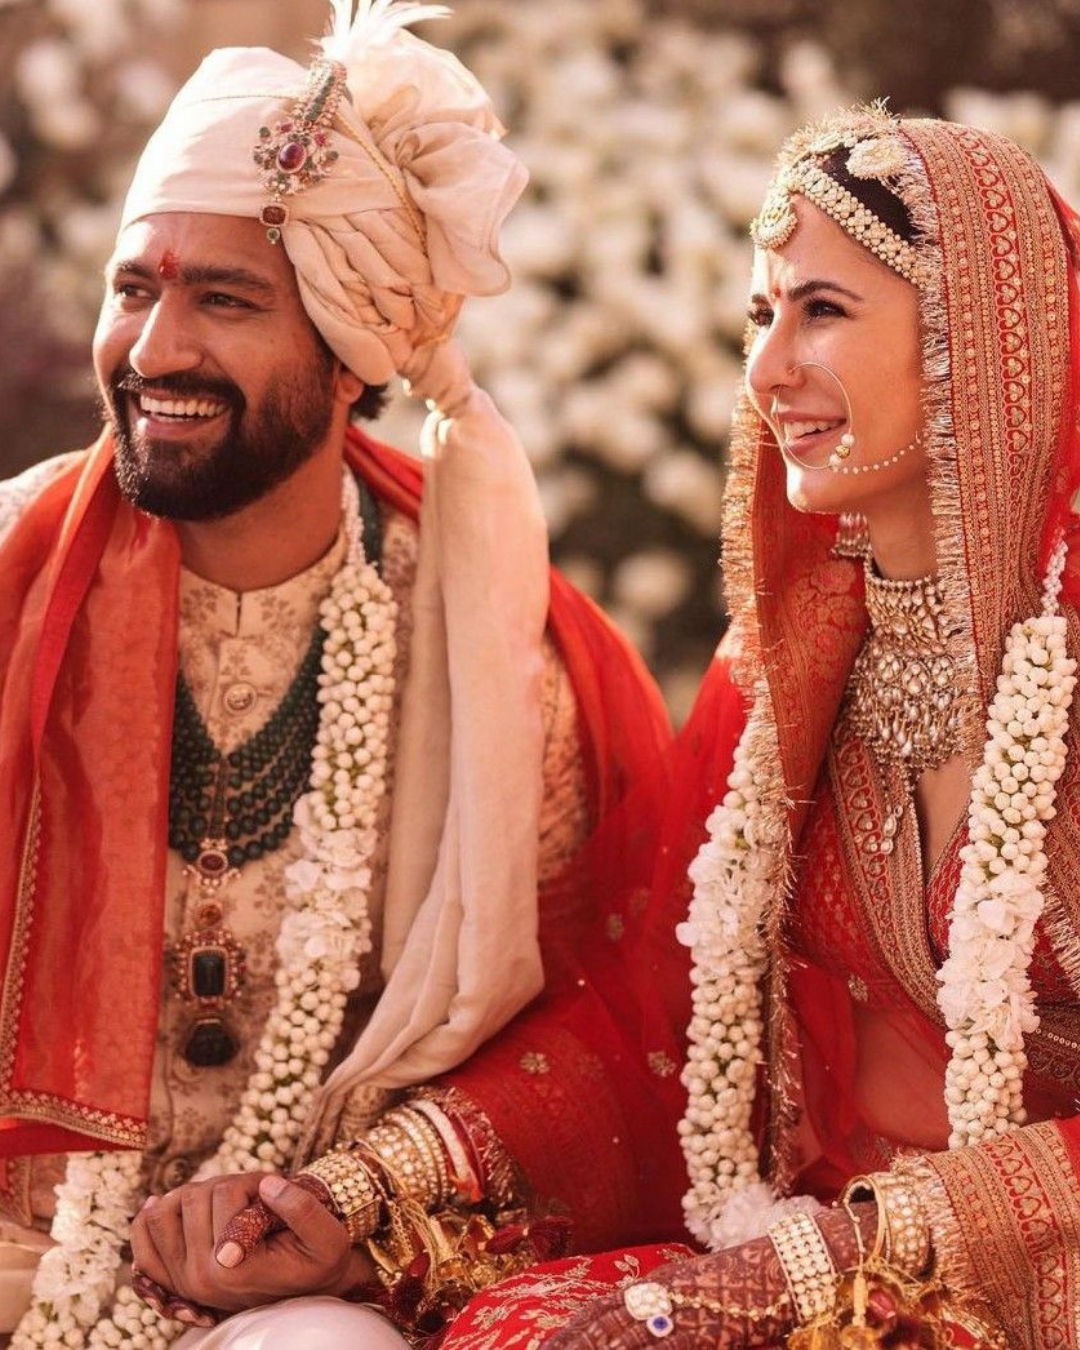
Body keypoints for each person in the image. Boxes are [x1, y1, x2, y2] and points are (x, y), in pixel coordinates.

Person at [335, 102, 1080, 1347]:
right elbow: (650, 1019)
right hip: (802, 1259)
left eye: (821, 311)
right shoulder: (793, 668)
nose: (767, 370)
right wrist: (365, 1187)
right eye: (760, 315)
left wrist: (835, 1260)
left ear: (983, 341)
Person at [0, 3, 671, 1346]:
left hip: (294, 1283)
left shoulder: (488, 652)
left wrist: (345, 1206)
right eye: (135, 288)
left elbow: (586, 1055)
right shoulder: (13, 577)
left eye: (225, 299)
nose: (154, 349)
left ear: (351, 353)